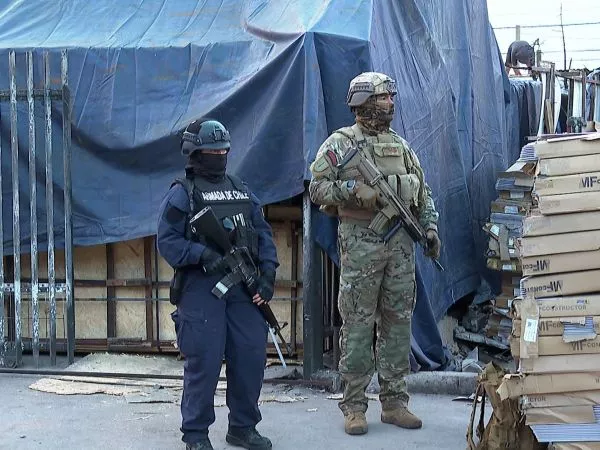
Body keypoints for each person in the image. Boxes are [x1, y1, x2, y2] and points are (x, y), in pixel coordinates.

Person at [308, 72, 441, 436]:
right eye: (383, 97)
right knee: (357, 324)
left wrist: (429, 228)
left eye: (391, 97)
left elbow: (422, 192)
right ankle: (353, 405)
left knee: (398, 323)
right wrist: (354, 190)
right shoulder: (341, 144)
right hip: (361, 245)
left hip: (400, 247)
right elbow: (317, 188)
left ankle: (395, 403)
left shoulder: (401, 146)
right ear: (363, 102)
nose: (390, 103)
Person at [157, 119, 278, 450]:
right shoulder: (182, 194)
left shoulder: (240, 188)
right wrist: (201, 254)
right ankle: (196, 435)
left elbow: (262, 233)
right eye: (212, 152)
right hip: (201, 289)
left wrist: (267, 274)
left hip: (243, 287)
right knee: (205, 362)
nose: (219, 157)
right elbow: (167, 241)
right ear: (195, 154)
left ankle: (243, 427)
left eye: (223, 151)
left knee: (250, 357)